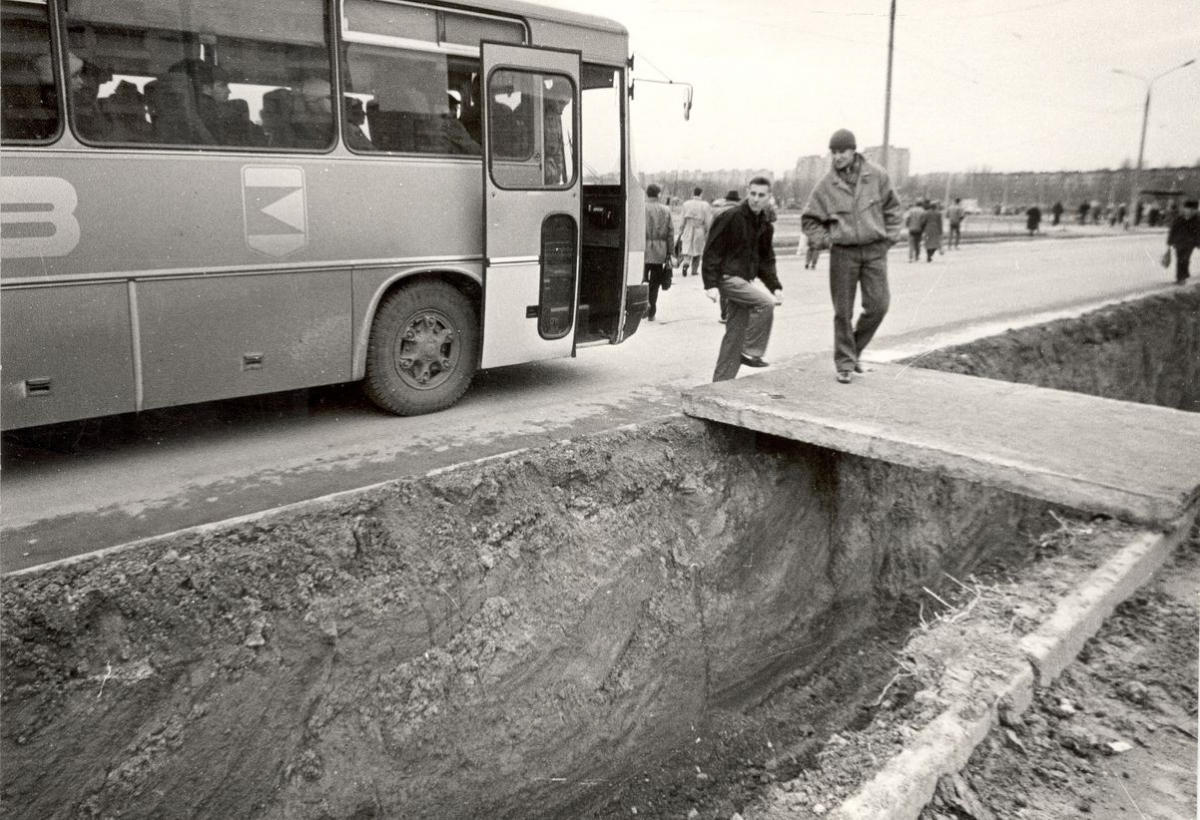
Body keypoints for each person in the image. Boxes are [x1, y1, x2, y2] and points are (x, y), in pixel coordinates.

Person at [801, 128, 902, 383]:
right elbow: (810, 220)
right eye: (833, 152)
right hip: (843, 253)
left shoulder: (877, 176)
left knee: (879, 305)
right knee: (842, 311)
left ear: (853, 150)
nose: (837, 157)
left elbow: (893, 208)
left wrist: (889, 237)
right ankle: (845, 363)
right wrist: (827, 240)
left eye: (842, 151)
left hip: (874, 250)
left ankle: (852, 350)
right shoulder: (826, 185)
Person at [703, 176, 782, 381]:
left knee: (734, 336)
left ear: (769, 197)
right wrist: (710, 284)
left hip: (744, 280)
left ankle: (720, 384)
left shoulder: (764, 224)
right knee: (765, 304)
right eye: (753, 193)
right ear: (747, 192)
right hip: (727, 277)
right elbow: (712, 249)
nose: (756, 199)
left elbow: (766, 259)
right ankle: (751, 352)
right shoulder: (731, 216)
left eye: (761, 195)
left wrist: (775, 286)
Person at [643, 184, 674, 321]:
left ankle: (641, 308)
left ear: (647, 193)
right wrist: (670, 253)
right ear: (658, 194)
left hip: (641, 250)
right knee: (654, 283)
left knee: (640, 280)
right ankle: (652, 311)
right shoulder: (665, 210)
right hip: (659, 252)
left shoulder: (640, 207)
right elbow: (670, 233)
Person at [678, 187, 713, 277]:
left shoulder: (686, 204)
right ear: (701, 194)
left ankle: (686, 262)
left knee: (687, 247)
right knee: (698, 249)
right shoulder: (705, 205)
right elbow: (708, 220)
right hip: (699, 228)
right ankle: (694, 270)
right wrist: (708, 230)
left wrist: (681, 229)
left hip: (688, 227)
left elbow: (682, 218)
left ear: (693, 193)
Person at [1166, 198, 1199, 285]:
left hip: (1189, 243)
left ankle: (1183, 277)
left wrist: (1198, 243)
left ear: (1193, 210)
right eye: (1187, 209)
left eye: (1191, 209)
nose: (1188, 211)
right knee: (1180, 259)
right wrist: (1169, 242)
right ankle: (1180, 278)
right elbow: (1172, 230)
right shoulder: (1179, 219)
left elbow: (1198, 233)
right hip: (1179, 243)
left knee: (1185, 259)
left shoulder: (1196, 220)